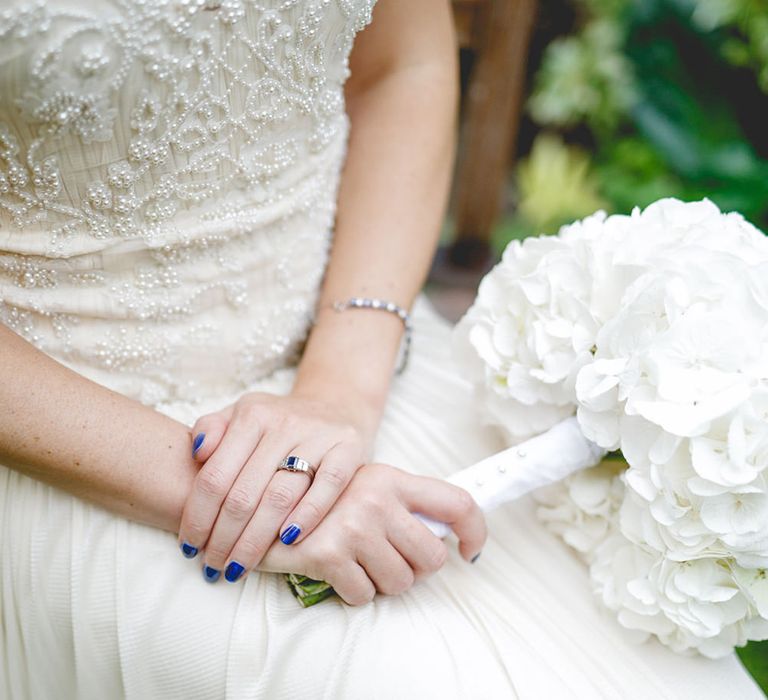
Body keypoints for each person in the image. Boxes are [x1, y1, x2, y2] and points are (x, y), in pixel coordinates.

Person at [0, 1, 762, 698]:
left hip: (359, 352)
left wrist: (340, 388)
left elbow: (403, 65)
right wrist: (256, 501)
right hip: (76, 441)